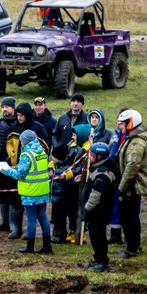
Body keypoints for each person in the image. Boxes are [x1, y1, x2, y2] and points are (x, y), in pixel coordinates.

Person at [0, 101, 50, 238]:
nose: (19, 118)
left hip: (32, 174)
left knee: (34, 211)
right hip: (17, 167)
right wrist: (12, 155)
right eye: (18, 115)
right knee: (16, 200)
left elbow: (45, 147)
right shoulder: (14, 126)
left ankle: (31, 234)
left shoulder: (38, 128)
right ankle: (16, 228)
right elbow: (9, 143)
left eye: (22, 115)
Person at [2, 130, 53, 254]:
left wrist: (6, 170)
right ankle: (47, 245)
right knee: (43, 217)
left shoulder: (26, 155)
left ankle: (30, 246)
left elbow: (20, 174)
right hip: (43, 189)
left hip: (30, 192)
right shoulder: (41, 151)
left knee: (31, 219)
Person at [80, 143, 120, 272]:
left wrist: (86, 209)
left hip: (98, 212)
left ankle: (102, 262)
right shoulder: (100, 167)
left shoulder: (103, 173)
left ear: (99, 156)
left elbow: (96, 196)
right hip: (97, 211)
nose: (89, 157)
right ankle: (98, 259)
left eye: (91, 154)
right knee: (96, 235)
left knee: (98, 236)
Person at [116, 109, 145, 259]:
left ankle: (132, 248)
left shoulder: (136, 143)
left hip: (131, 187)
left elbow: (131, 168)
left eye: (122, 124)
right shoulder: (131, 139)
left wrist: (121, 188)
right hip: (131, 185)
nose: (119, 126)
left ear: (130, 123)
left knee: (128, 217)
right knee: (131, 216)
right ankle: (134, 245)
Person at [0, 97, 18, 235]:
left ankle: (14, 223)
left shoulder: (18, 124)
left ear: (13, 108)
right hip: (0, 162)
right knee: (2, 192)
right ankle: (4, 222)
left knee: (14, 193)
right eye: (3, 106)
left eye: (8, 106)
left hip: (15, 164)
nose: (5, 109)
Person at [50, 142, 82, 244]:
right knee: (58, 217)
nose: (51, 157)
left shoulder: (61, 171)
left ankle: (59, 235)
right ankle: (59, 233)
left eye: (53, 156)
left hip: (60, 198)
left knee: (59, 217)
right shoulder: (58, 167)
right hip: (57, 197)